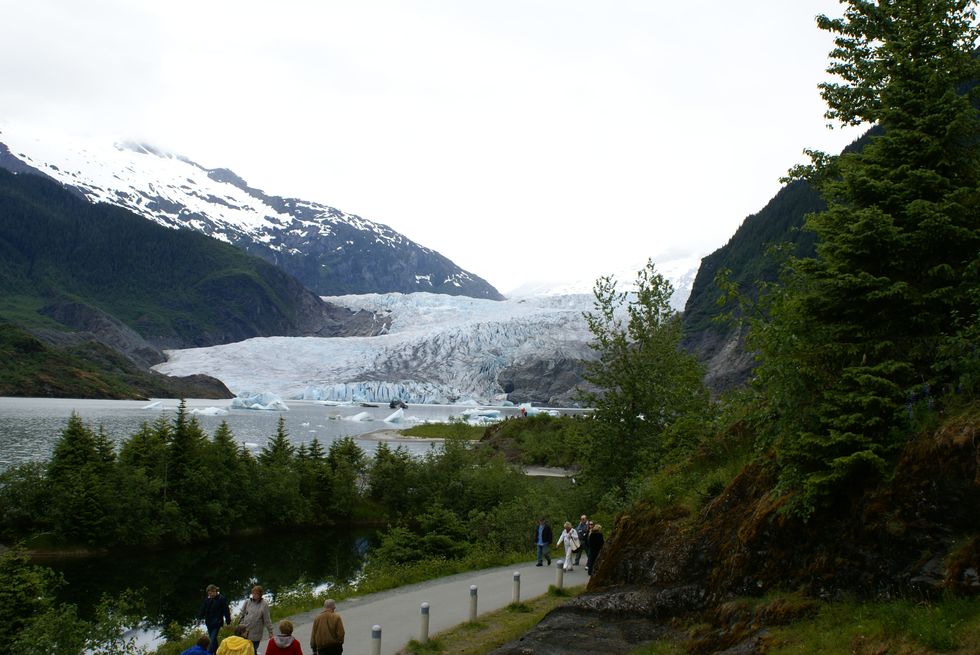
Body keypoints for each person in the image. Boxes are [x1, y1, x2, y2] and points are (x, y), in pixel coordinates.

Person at [237, 585, 274, 652]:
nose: (254, 595)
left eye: (256, 593)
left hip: (256, 633)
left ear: (260, 594)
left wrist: (270, 632)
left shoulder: (264, 604)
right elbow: (242, 614)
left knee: (252, 650)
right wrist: (240, 624)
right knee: (244, 650)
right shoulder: (247, 602)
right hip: (244, 632)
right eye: (253, 593)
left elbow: (267, 619)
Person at [198, 584, 232, 655]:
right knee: (213, 639)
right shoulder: (207, 599)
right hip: (209, 622)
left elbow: (226, 611)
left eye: (211, 593)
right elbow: (203, 609)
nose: (209, 595)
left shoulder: (221, 599)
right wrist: (199, 619)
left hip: (217, 623)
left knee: (212, 639)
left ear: (215, 591)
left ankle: (209, 653)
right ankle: (217, 652)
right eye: (208, 594)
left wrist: (228, 622)